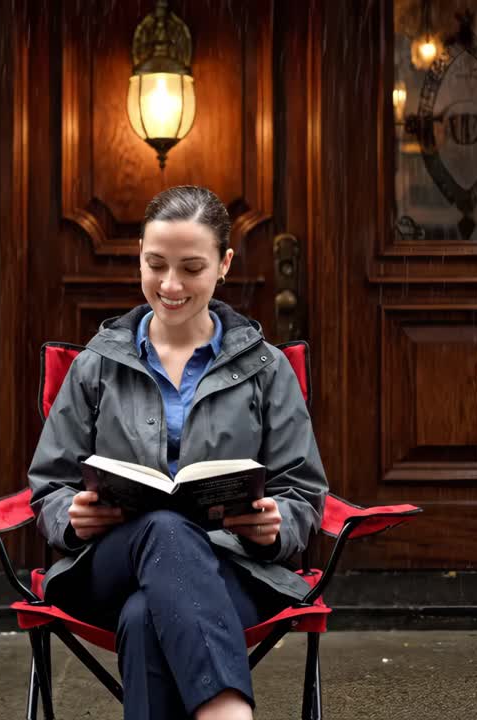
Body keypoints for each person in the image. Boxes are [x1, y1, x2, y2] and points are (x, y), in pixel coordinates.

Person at [29, 185, 327, 720]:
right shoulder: (97, 364)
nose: (170, 285)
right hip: (108, 566)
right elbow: (49, 484)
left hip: (232, 568)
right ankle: (229, 713)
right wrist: (69, 517)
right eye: (155, 264)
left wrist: (277, 524)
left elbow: (302, 490)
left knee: (146, 617)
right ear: (139, 256)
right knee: (164, 527)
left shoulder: (266, 369)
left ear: (224, 264)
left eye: (191, 268)